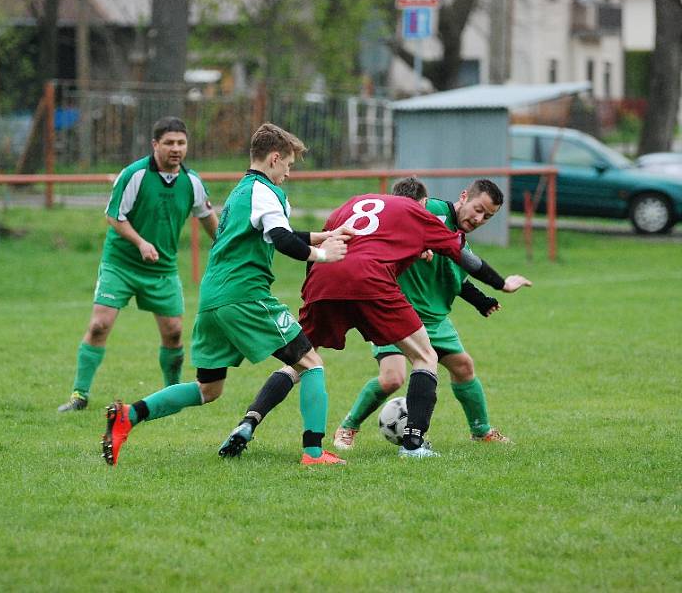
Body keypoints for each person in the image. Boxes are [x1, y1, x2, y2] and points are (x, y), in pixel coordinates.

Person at [218, 179, 531, 459]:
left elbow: (321, 243)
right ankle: (413, 445)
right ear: (422, 204)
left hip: (325, 280)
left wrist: (314, 292)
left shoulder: (355, 203)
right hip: (371, 283)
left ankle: (249, 422)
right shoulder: (421, 213)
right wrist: (501, 283)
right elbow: (465, 259)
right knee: (425, 357)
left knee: (300, 362)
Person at [100, 123, 352, 466]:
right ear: (275, 158)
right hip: (245, 295)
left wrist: (324, 235)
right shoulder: (266, 191)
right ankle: (313, 452)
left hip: (213, 298)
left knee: (209, 389)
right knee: (311, 363)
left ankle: (130, 415)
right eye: (289, 165)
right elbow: (280, 239)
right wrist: (324, 256)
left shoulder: (241, 192)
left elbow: (273, 232)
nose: (289, 174)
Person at [333, 178, 514, 451]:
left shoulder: (458, 239)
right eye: (478, 209)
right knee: (392, 377)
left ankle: (481, 430)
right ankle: (348, 426)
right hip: (395, 310)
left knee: (464, 367)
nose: (479, 218)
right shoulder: (432, 211)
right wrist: (415, 243)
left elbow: (454, 277)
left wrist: (480, 300)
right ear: (464, 196)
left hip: (433, 318)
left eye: (487, 216)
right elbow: (397, 217)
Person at [58, 116, 219, 412]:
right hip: (121, 263)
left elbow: (209, 221)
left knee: (173, 332)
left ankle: (171, 394)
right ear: (155, 145)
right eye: (169, 143)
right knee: (99, 325)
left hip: (162, 269)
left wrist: (226, 247)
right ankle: (79, 395)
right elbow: (114, 217)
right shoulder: (135, 175)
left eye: (181, 143)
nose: (176, 149)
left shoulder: (192, 182)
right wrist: (141, 243)